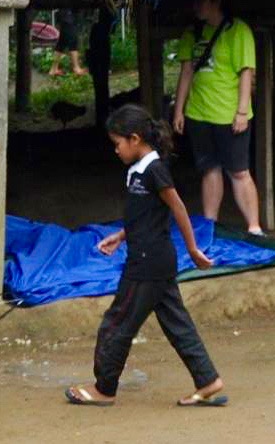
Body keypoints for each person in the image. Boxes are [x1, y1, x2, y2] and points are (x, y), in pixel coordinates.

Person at [64, 105, 225, 409]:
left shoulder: (155, 170)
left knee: (117, 323)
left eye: (117, 143)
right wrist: (121, 235)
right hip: (152, 259)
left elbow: (176, 207)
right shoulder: (136, 172)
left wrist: (192, 248)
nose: (116, 150)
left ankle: (104, 388)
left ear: (135, 139)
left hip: (148, 262)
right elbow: (145, 214)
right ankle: (208, 380)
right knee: (177, 323)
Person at [171, 0, 263, 235]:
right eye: (195, 2)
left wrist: (242, 112)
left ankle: (254, 227)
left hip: (228, 114)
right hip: (198, 113)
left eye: (201, 1)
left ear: (216, 1)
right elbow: (186, 72)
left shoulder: (238, 31)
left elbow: (246, 73)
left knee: (239, 171)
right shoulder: (192, 33)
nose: (197, 7)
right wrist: (179, 110)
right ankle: (210, 224)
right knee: (209, 169)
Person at [47, 8, 89, 78]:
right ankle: (76, 68)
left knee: (62, 41)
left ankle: (53, 69)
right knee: (73, 38)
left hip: (67, 12)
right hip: (66, 12)